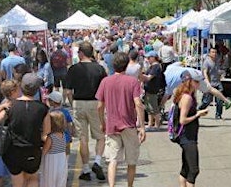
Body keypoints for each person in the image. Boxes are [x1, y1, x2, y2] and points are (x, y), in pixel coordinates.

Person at [96, 51, 146, 187]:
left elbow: (100, 106)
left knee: (113, 160)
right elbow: (138, 104)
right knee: (131, 161)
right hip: (129, 125)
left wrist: (102, 122)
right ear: (127, 65)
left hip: (112, 125)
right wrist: (141, 126)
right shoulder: (133, 82)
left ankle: (111, 186)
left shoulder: (105, 81)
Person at [0, 73, 51, 187]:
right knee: (33, 178)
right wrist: (43, 152)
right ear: (36, 90)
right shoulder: (43, 109)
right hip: (33, 150)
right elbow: (46, 134)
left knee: (17, 180)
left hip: (13, 151)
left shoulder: (11, 106)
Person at [64, 41, 107, 181]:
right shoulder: (100, 69)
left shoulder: (74, 69)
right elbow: (104, 90)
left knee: (83, 138)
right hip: (95, 103)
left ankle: (86, 169)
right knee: (100, 135)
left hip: (79, 102)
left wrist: (72, 104)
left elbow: (68, 91)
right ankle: (98, 161)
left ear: (81, 53)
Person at [174, 71, 209, 187]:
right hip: (187, 137)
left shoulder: (185, 94)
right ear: (190, 82)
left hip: (188, 136)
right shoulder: (187, 98)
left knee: (186, 168)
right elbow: (182, 120)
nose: (198, 84)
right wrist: (197, 115)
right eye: (196, 82)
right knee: (194, 170)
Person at [161, 62, 231, 109]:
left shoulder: (167, 83)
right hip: (196, 72)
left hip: (188, 77)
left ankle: (190, 110)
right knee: (210, 89)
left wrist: (160, 107)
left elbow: (165, 98)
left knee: (187, 93)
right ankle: (226, 101)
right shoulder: (169, 67)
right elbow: (180, 63)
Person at [40, 110, 67, 187]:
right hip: (61, 160)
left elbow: (45, 151)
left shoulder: (51, 137)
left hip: (52, 161)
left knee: (49, 180)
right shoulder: (63, 135)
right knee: (60, 180)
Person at [198, 47, 225, 119]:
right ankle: (198, 111)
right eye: (212, 52)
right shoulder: (207, 62)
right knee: (206, 101)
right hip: (210, 84)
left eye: (215, 52)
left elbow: (218, 70)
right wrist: (207, 82)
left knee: (220, 100)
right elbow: (205, 72)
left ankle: (218, 115)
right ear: (209, 53)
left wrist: (220, 74)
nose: (214, 54)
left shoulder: (217, 61)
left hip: (218, 83)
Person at [142, 51, 166, 131]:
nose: (147, 59)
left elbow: (149, 77)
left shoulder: (156, 67)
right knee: (149, 108)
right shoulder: (152, 66)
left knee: (154, 108)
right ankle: (150, 124)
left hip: (153, 90)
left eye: (149, 58)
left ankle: (157, 125)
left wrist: (139, 75)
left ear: (153, 57)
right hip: (148, 89)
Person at [47, 91, 74, 155]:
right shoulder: (65, 111)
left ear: (53, 102)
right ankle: (66, 163)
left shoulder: (50, 113)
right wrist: (70, 135)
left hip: (54, 137)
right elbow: (69, 125)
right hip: (66, 136)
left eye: (49, 100)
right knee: (66, 152)